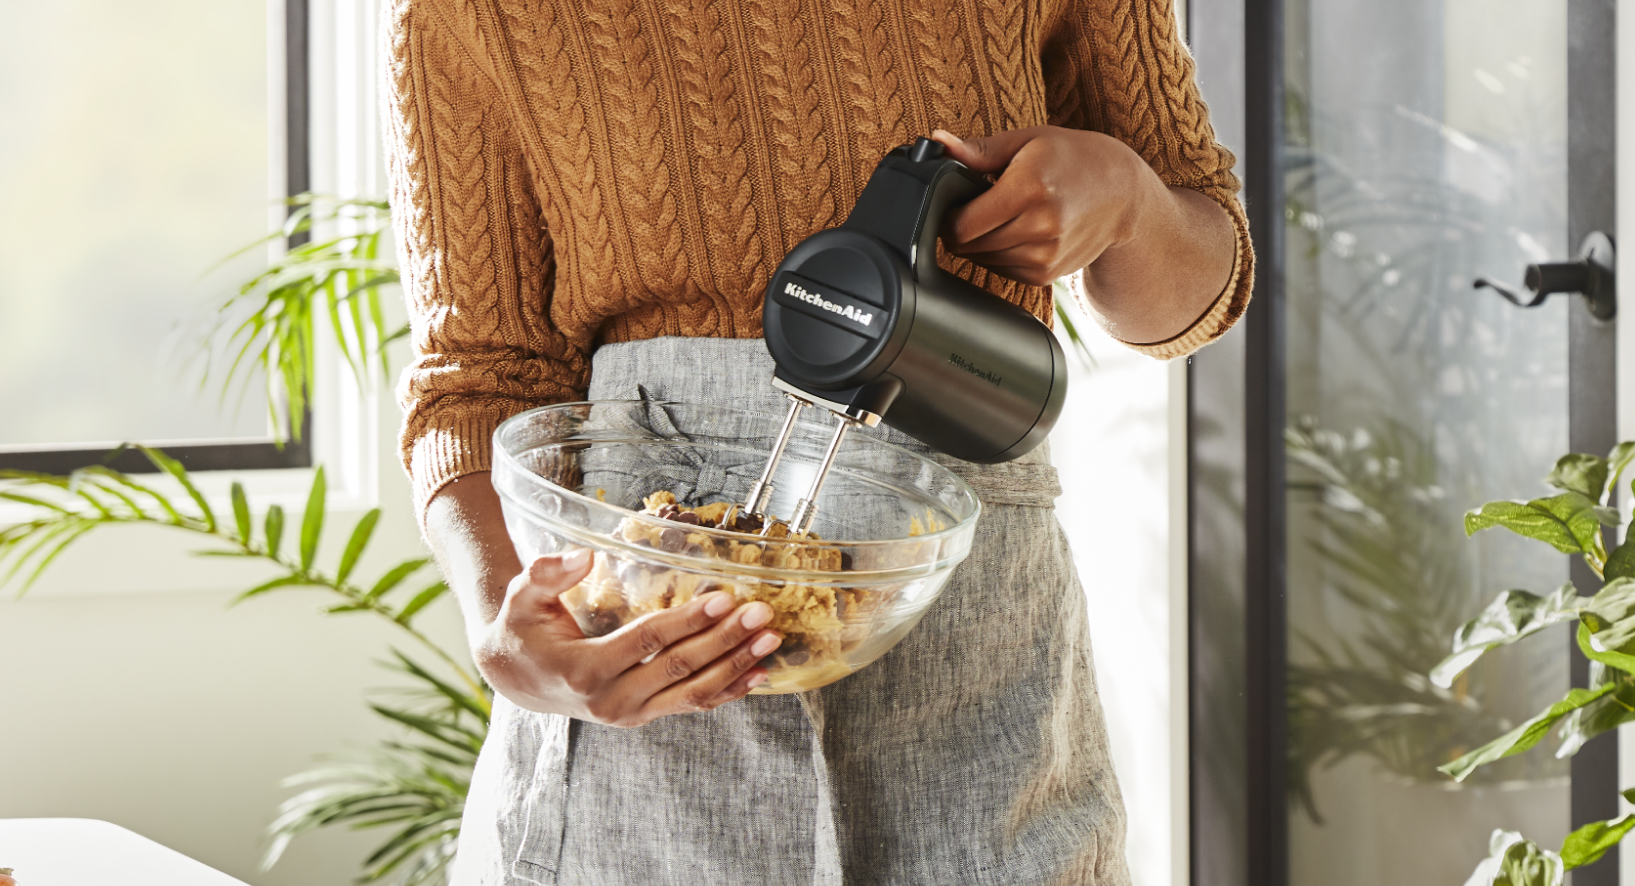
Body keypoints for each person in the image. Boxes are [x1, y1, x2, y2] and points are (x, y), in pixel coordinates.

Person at [385, 0, 1250, 882]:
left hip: (976, 676)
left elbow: (1192, 299)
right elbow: (480, 375)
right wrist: (502, 620)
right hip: (641, 700)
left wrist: (1131, 202)